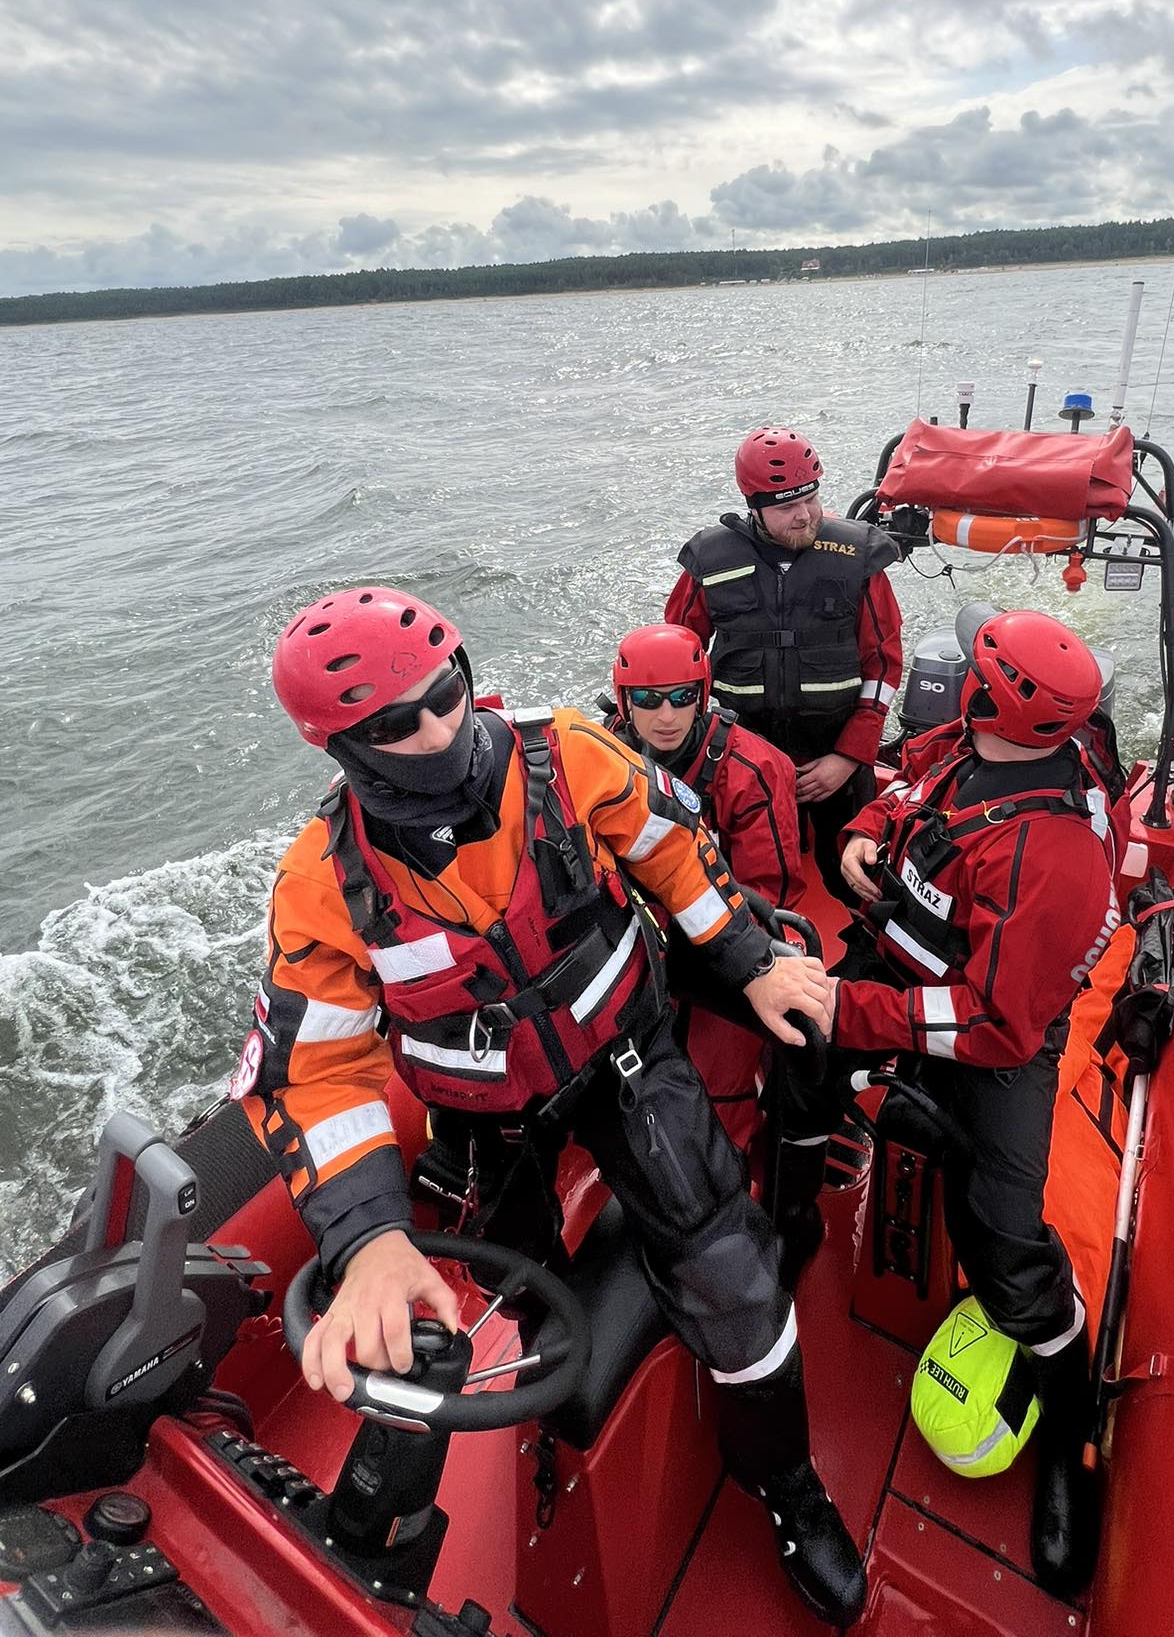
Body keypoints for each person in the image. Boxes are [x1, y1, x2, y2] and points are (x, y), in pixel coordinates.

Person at [233, 586, 866, 1626]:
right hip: (487, 1122)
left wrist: (750, 960)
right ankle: (550, 1428)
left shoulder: (568, 754)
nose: (440, 730)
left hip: (628, 1061)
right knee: (521, 1292)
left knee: (733, 1273)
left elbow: (671, 848)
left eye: (447, 694)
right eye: (396, 724)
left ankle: (788, 1485)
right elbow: (313, 1073)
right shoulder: (325, 883)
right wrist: (370, 1240)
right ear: (336, 744)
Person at [785, 608, 1122, 1596]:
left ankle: (1070, 1427)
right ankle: (794, 1214)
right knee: (798, 1057)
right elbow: (907, 779)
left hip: (991, 1036)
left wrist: (856, 1010)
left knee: (1001, 1235)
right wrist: (865, 830)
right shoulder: (962, 744)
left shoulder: (1054, 854)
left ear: (991, 694)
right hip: (902, 962)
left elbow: (997, 1025)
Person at [666, 425, 903, 900]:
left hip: (834, 759)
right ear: (753, 506)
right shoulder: (709, 560)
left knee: (855, 882)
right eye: (786, 507)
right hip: (741, 763)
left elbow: (883, 667)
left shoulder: (857, 559)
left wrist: (848, 757)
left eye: (811, 499)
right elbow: (676, 656)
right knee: (744, 882)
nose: (804, 516)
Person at [609, 622, 806, 1155]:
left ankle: (727, 1159)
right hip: (634, 935)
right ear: (624, 702)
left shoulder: (751, 770)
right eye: (648, 699)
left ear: (702, 694)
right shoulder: (603, 760)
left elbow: (770, 894)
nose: (666, 716)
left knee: (716, 1073)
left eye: (681, 697)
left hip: (725, 939)